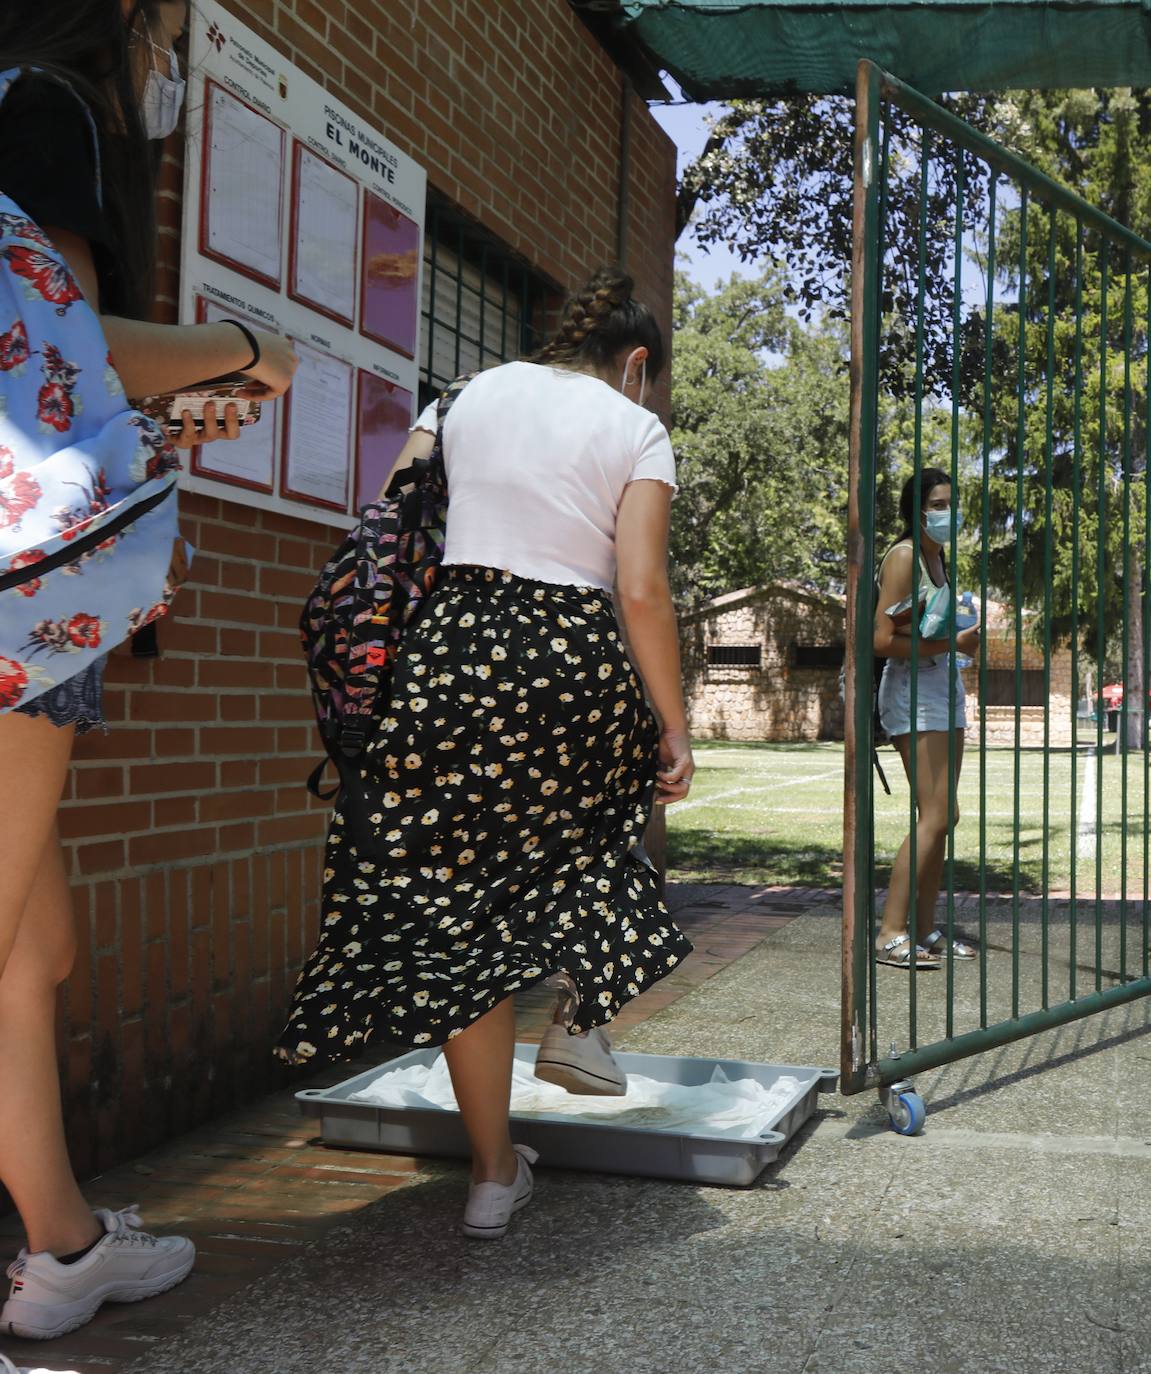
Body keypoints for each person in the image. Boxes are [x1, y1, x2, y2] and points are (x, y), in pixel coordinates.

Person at [277, 268, 695, 1239]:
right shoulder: (634, 427)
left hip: (448, 656)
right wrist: (670, 723)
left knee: (460, 918)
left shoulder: (458, 397)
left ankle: (491, 1177)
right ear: (635, 363)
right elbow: (639, 589)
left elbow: (386, 527)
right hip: (567, 661)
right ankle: (579, 1025)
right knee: (591, 840)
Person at [0, 1, 297, 1354]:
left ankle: (60, 1241)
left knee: (34, 943)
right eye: (169, 19)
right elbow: (77, 343)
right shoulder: (39, 106)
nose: (171, 43)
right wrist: (249, 350)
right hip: (19, 592)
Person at [872, 467, 981, 970]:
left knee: (944, 817)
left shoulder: (939, 559)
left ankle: (924, 927)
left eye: (952, 503)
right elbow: (882, 641)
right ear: (917, 511)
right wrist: (950, 642)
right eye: (938, 504)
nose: (948, 512)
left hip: (945, 685)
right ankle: (891, 932)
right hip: (913, 691)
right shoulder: (903, 556)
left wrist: (961, 640)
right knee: (934, 815)